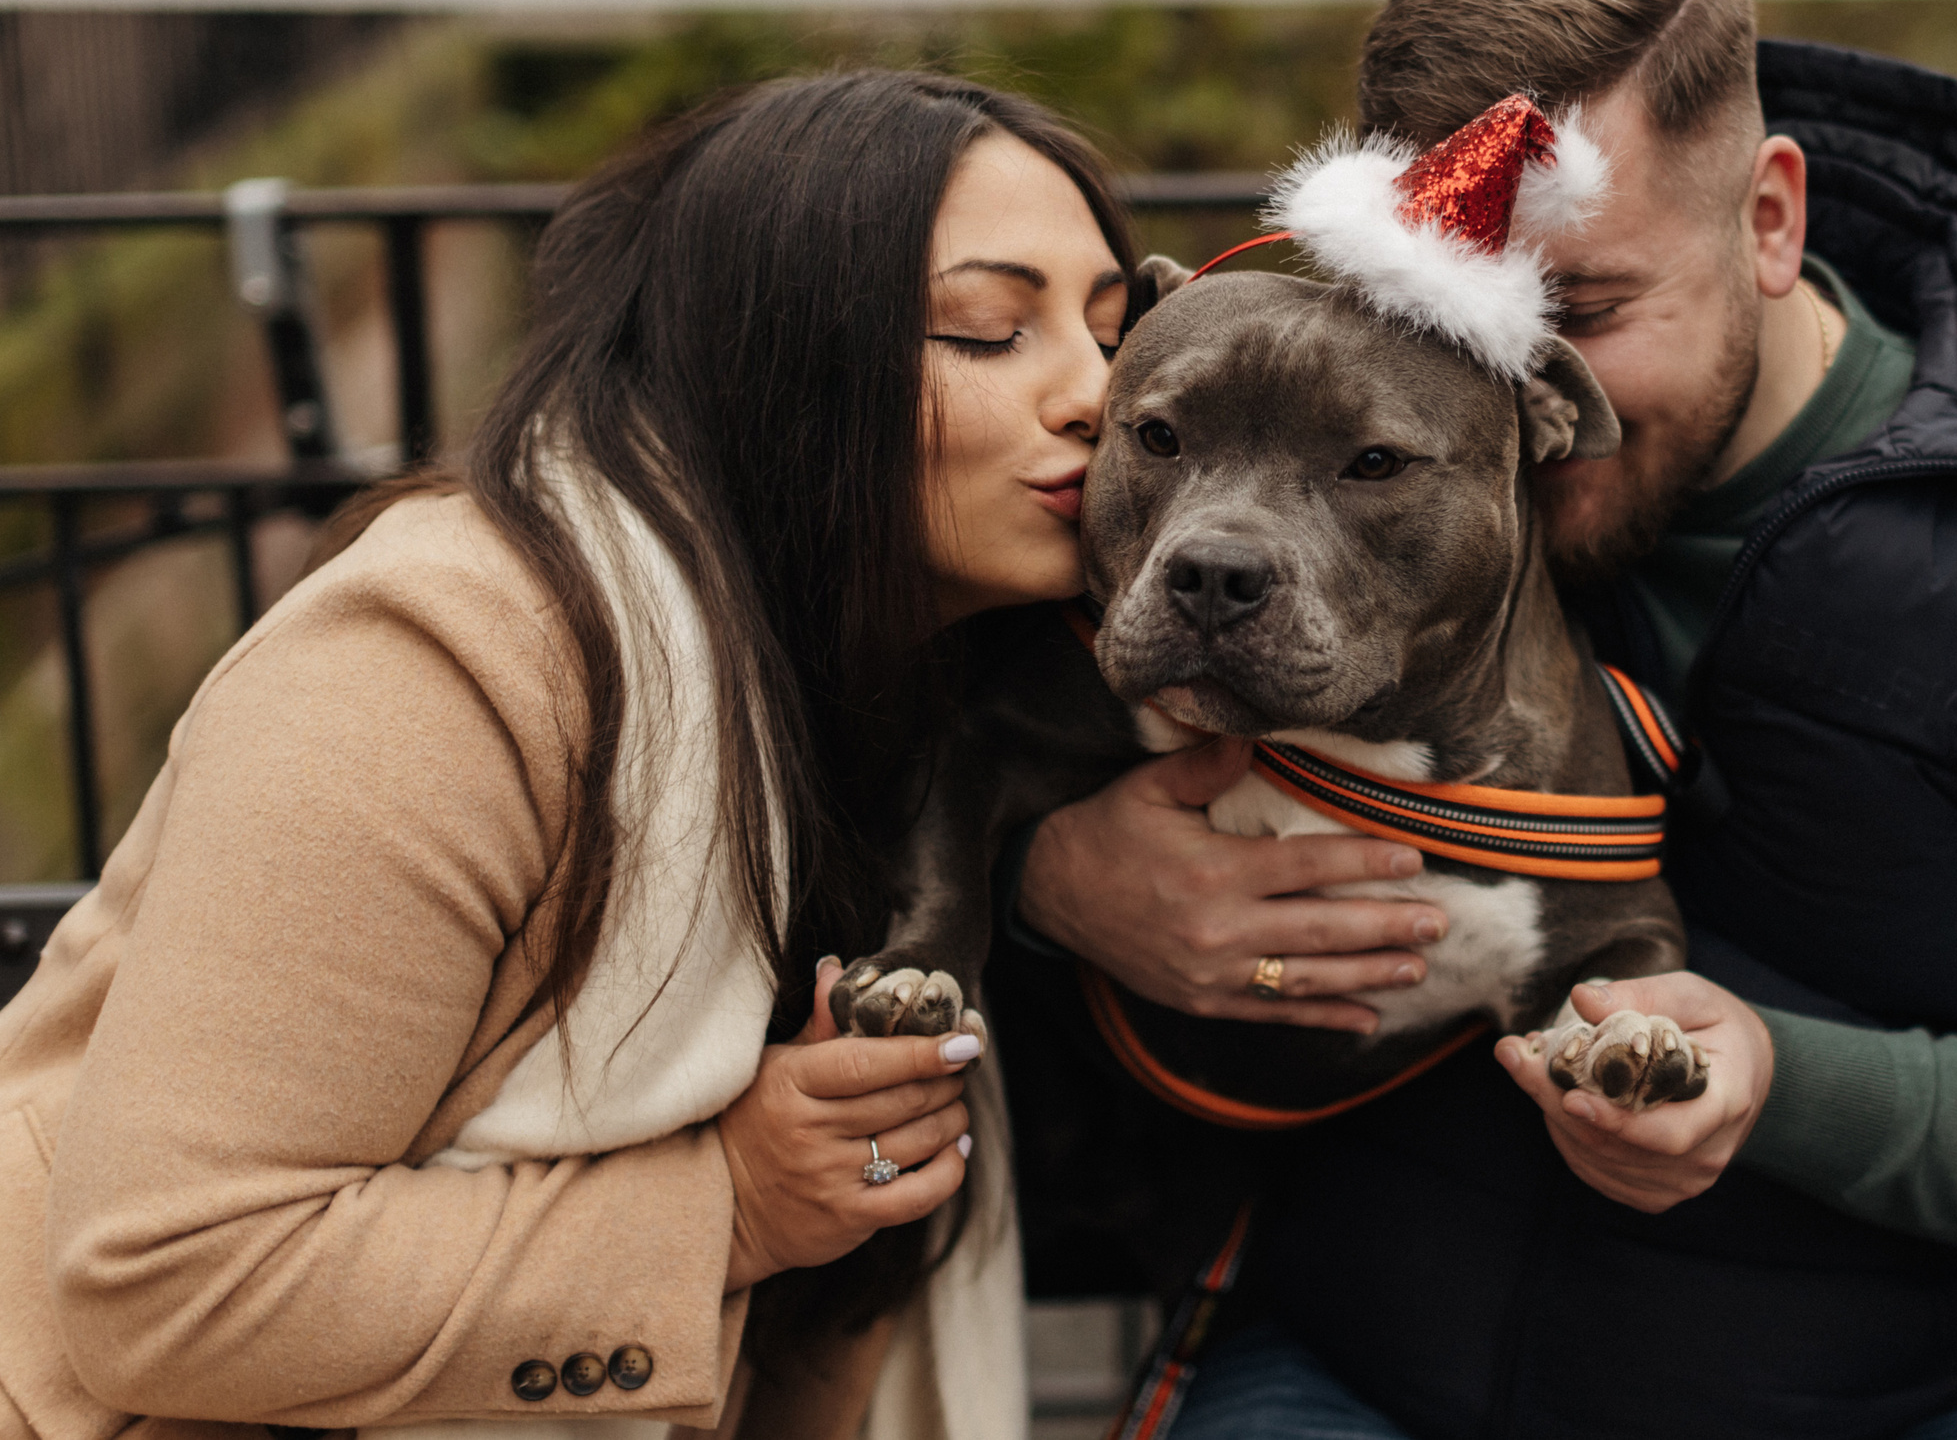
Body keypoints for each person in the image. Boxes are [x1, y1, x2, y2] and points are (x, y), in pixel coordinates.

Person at [1001, 0, 1957, 1440]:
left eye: (1580, 309)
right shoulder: (1343, 477)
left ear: (1770, 219)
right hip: (1360, 1366)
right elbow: (932, 762)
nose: (1504, 386)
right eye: (1431, 308)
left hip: (1877, 1404)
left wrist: (1771, 1077)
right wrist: (1053, 881)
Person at [0, 70, 1137, 1440]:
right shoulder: (434, 666)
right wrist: (731, 1208)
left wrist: (1055, 876)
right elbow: (171, 1276)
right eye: (986, 332)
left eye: (1112, 333)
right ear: (774, 364)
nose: (1096, 394)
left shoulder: (933, 707)